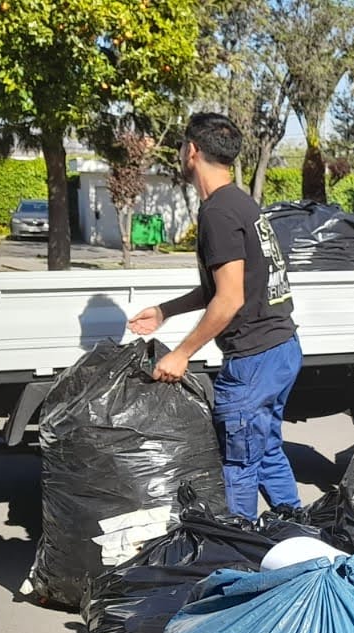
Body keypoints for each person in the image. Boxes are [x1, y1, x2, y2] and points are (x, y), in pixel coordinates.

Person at [126, 113, 301, 521]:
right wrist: (166, 311)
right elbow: (223, 288)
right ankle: (298, 535)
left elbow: (229, 300)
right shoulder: (240, 202)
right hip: (281, 349)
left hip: (255, 360)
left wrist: (181, 353)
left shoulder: (217, 213)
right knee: (267, 450)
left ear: (192, 151)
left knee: (238, 465)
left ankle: (238, 556)